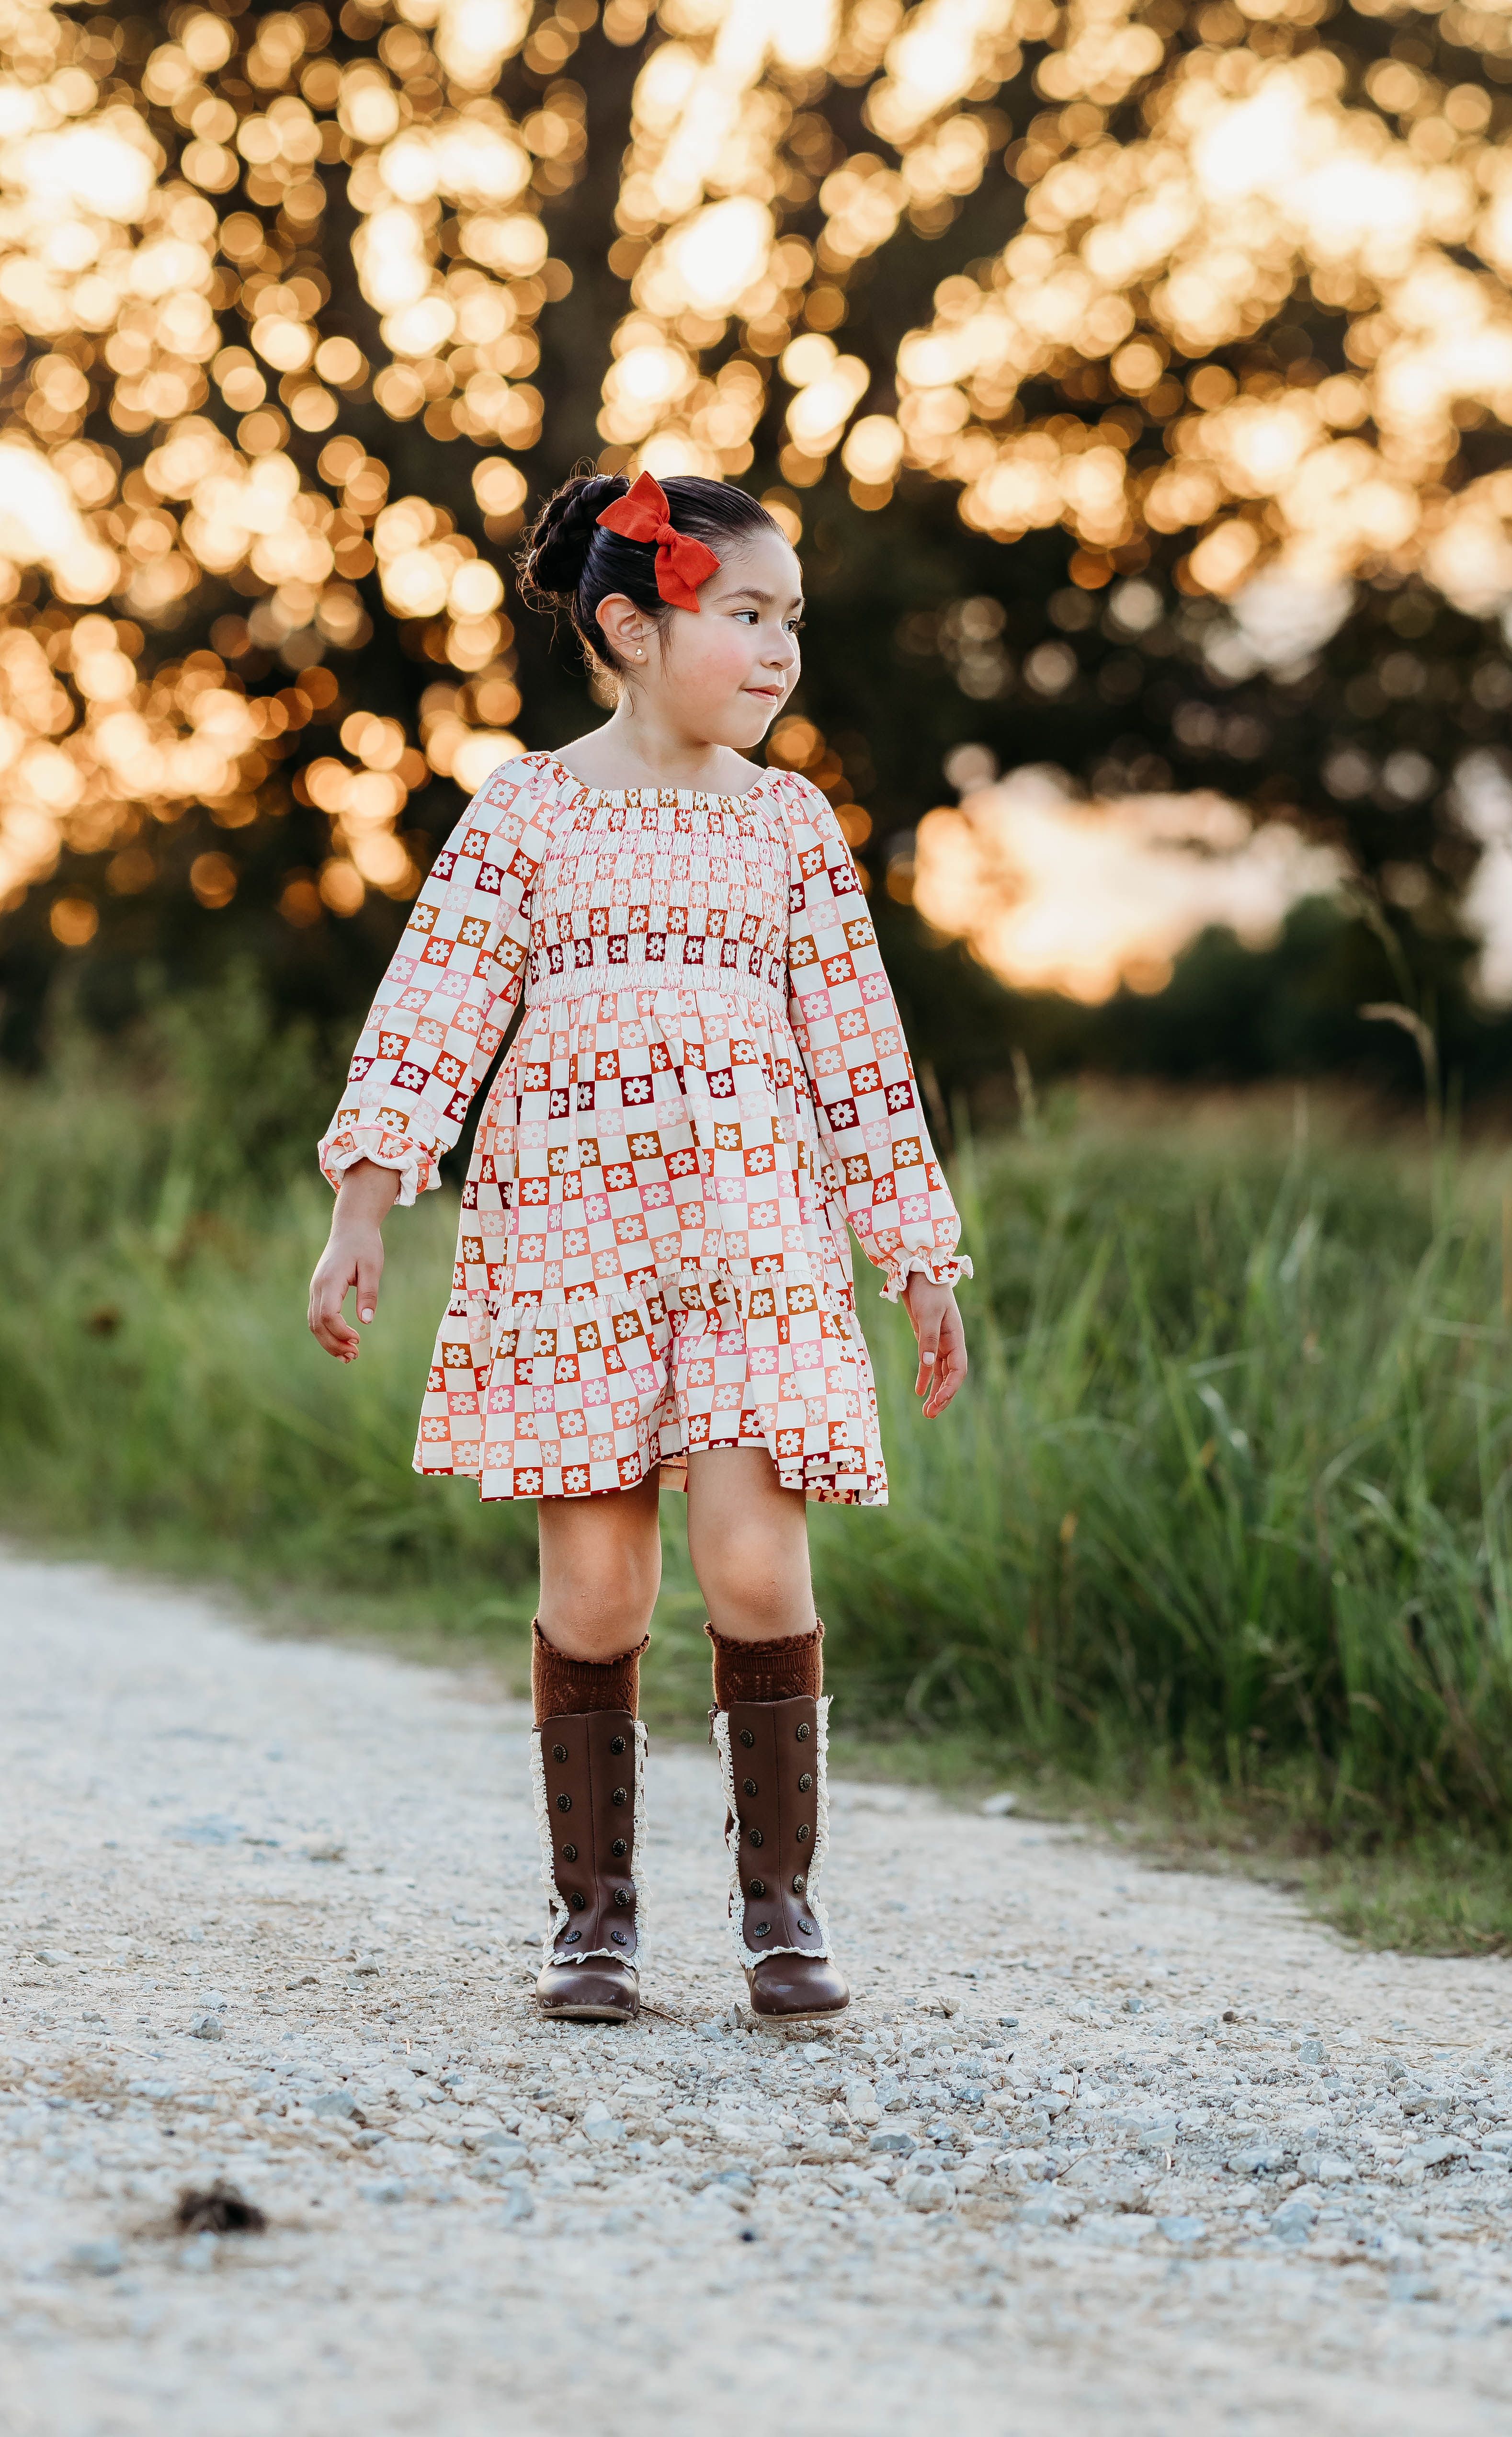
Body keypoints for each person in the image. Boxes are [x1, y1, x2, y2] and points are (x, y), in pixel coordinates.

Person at [309, 468, 971, 2029]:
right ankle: (595, 1919)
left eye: (788, 621)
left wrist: (918, 1254)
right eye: (742, 616)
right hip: (571, 1248)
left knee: (755, 1555)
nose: (777, 650)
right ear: (629, 624)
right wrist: (364, 1202)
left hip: (756, 1247)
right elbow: (435, 1010)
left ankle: (780, 1908)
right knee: (600, 1590)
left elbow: (863, 1058)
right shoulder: (528, 810)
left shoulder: (795, 829)